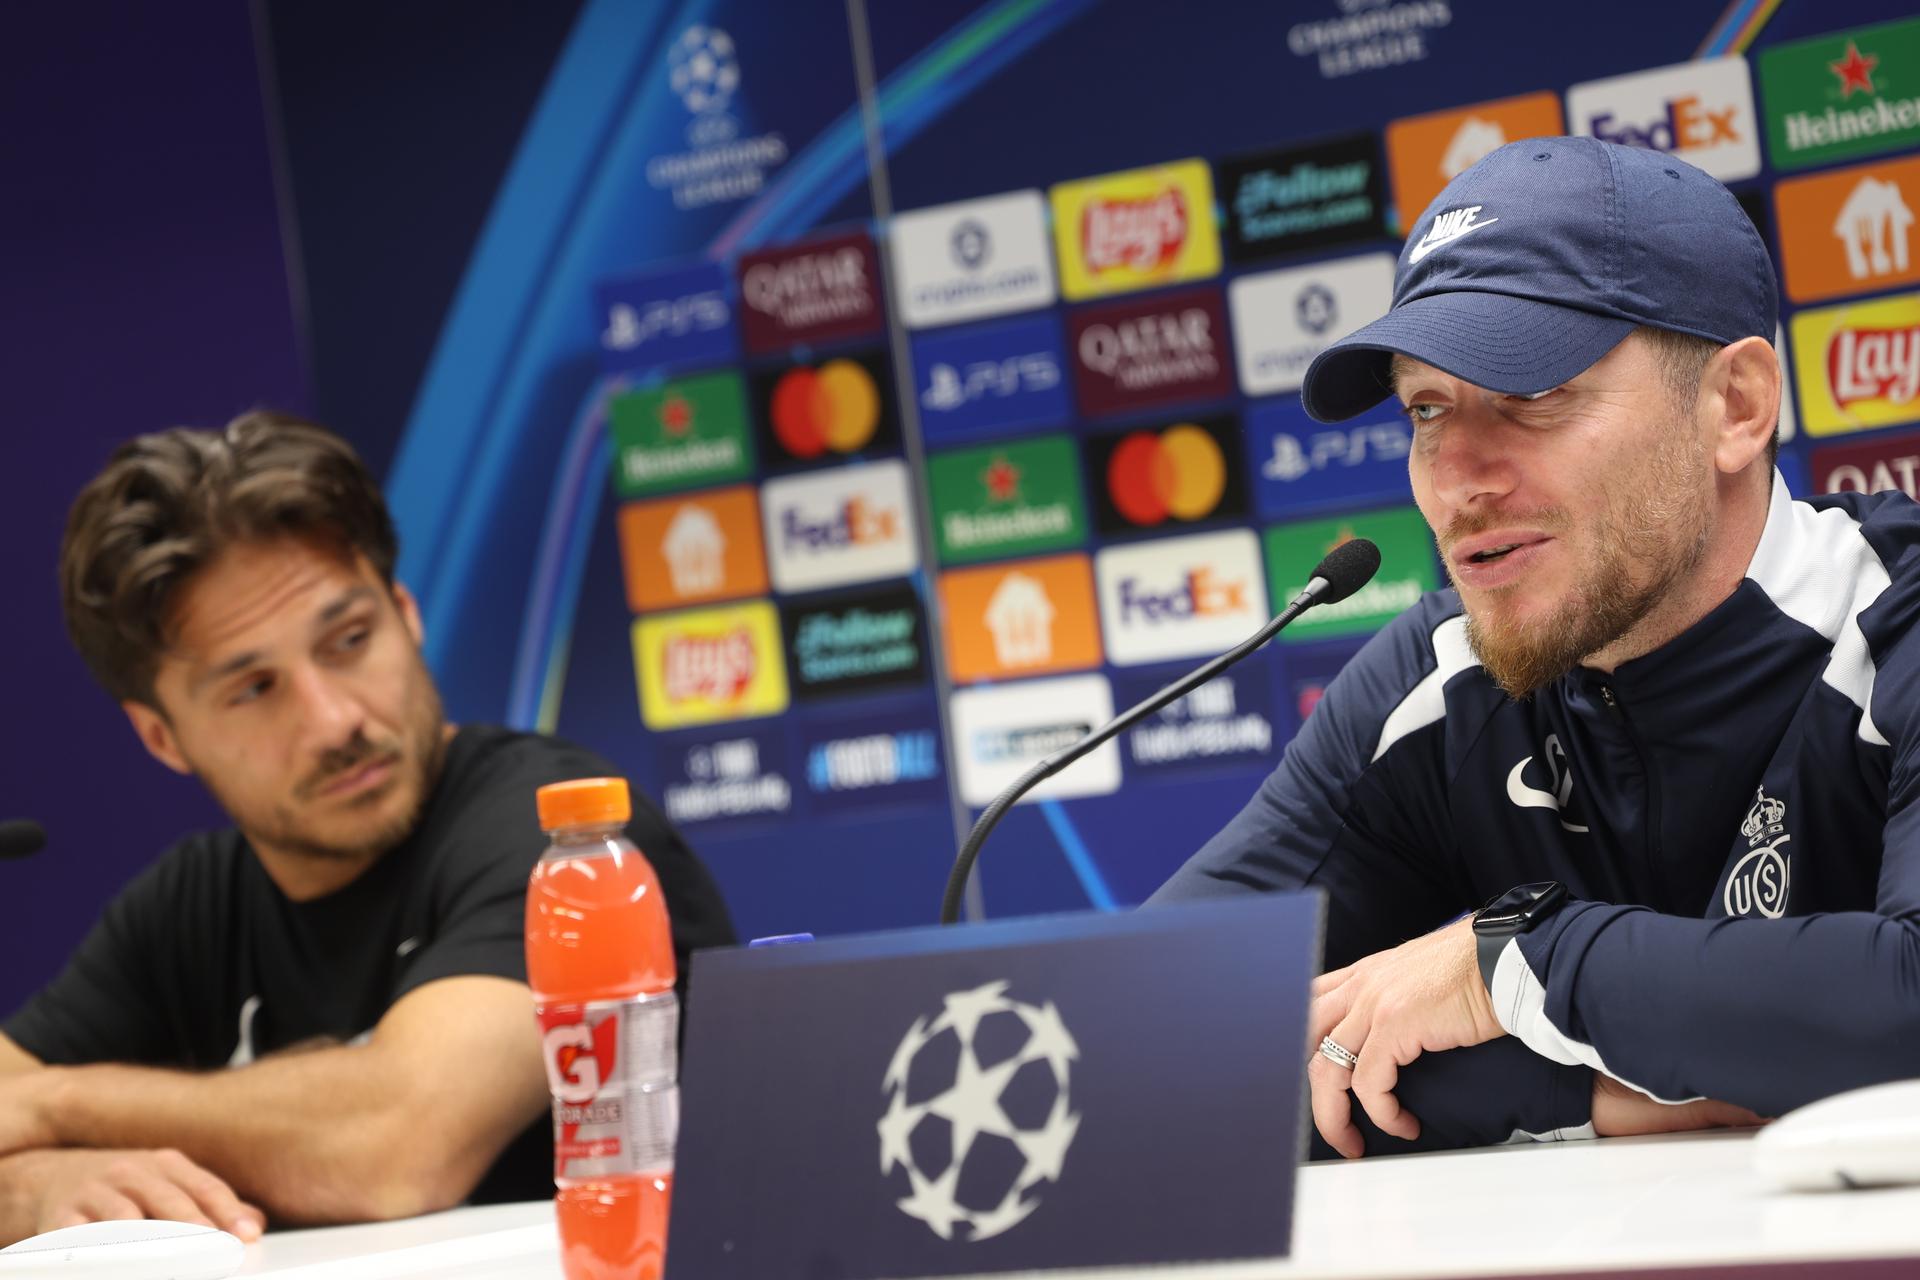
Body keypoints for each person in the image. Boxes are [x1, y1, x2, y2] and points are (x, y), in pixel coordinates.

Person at [1152, 137, 1920, 1159]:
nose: (1458, 477)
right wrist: (1636, 1087)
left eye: (1533, 394)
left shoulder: (1893, 616)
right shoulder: (1429, 686)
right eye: (1427, 408)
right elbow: (1140, 1055)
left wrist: (1513, 960)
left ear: (1734, 406)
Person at [0, 414, 735, 1242]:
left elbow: (399, 1148)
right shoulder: (190, 904)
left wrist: (58, 1103)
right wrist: (34, 1185)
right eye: (254, 689)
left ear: (406, 612)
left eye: (350, 640)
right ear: (161, 737)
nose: (333, 719)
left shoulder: (569, 842)